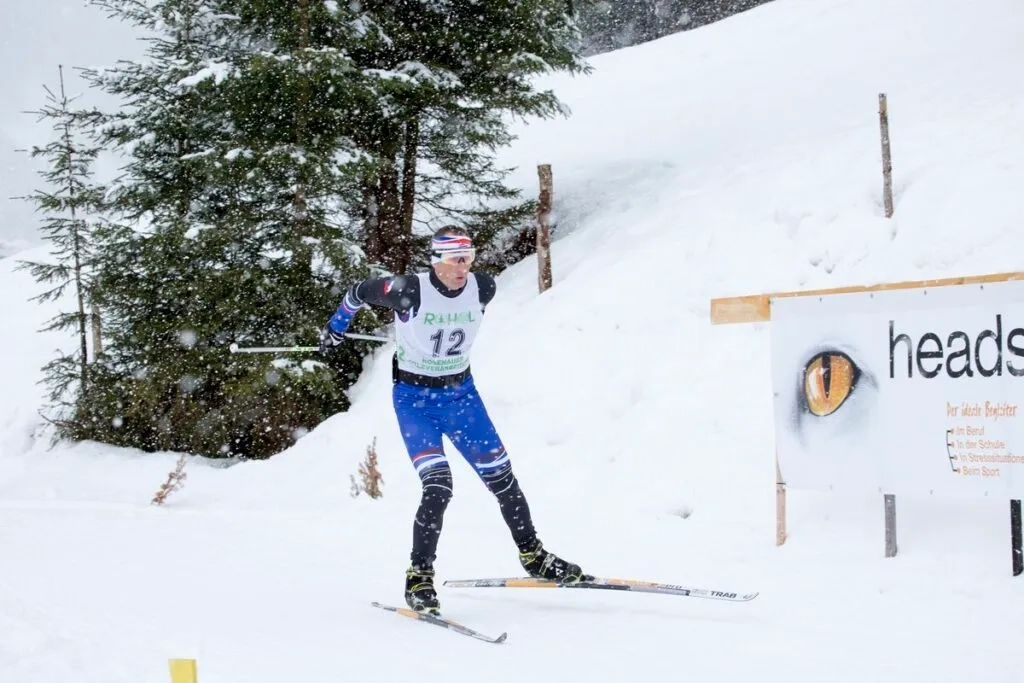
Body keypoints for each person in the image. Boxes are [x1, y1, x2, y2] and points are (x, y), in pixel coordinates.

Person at [319, 226, 588, 614]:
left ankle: (534, 556)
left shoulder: (483, 287)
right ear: (436, 261)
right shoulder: (407, 290)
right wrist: (336, 328)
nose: (464, 267)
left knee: (503, 479)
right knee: (439, 487)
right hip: (415, 402)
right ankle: (419, 577)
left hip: (462, 398)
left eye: (468, 258)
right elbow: (358, 292)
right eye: (455, 260)